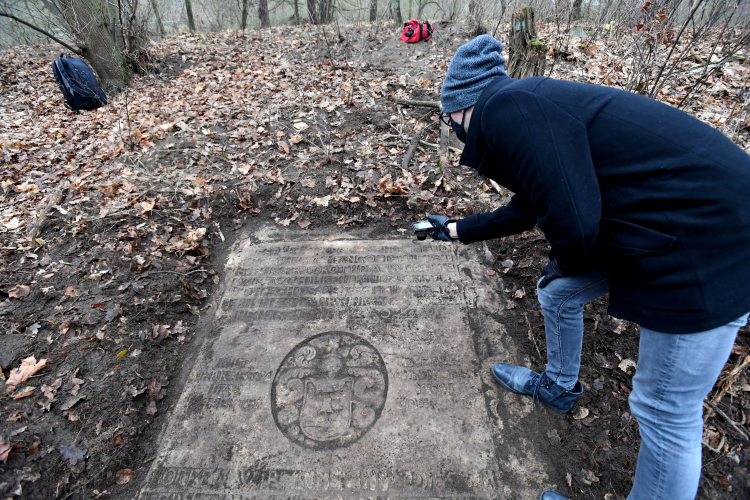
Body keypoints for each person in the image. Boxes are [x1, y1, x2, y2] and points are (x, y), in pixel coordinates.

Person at [427, 34, 750, 500]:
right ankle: (558, 387)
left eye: (448, 118)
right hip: (663, 228)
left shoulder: (505, 110)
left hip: (705, 244)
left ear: (461, 106)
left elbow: (574, 227)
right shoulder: (524, 106)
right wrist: (457, 229)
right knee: (558, 293)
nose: (451, 128)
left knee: (664, 409)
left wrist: (565, 260)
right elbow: (529, 205)